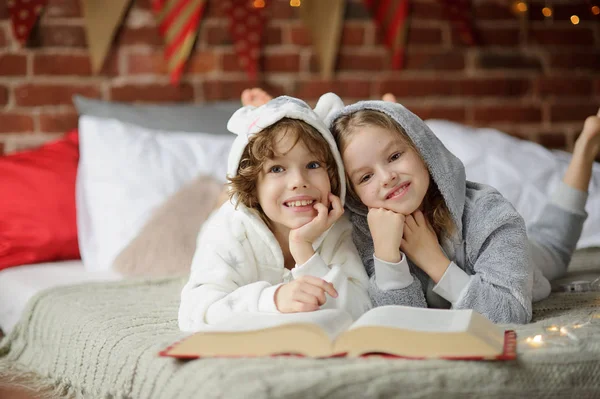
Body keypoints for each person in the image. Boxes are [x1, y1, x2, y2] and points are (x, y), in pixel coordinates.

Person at [329, 95, 600, 324]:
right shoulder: (368, 233)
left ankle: (585, 149)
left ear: (422, 151)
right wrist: (388, 257)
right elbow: (400, 321)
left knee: (554, 242)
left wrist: (433, 260)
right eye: (365, 177)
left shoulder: (488, 211)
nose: (386, 177)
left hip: (524, 256)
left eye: (395, 156)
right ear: (354, 195)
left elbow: (511, 312)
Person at [178, 94, 372, 331]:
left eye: (313, 165)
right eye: (277, 168)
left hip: (279, 205)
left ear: (333, 175)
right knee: (223, 207)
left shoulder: (339, 228)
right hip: (229, 214)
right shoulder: (228, 230)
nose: (298, 181)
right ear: (253, 185)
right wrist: (273, 299)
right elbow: (194, 313)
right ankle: (225, 193)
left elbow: (362, 308)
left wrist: (305, 252)